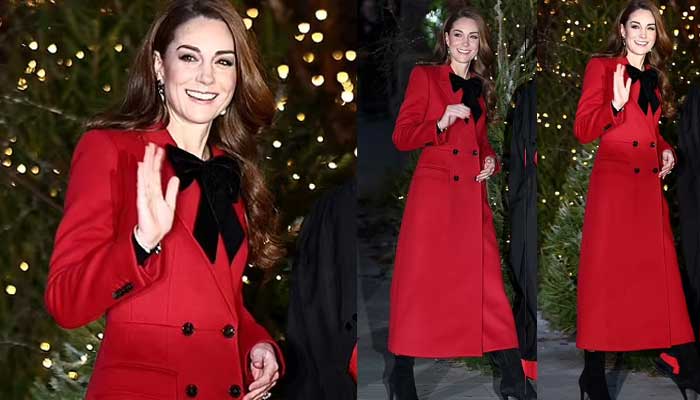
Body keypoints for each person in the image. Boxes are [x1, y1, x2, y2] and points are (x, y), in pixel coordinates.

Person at [44, 1, 283, 399]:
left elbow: (220, 305)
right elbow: (64, 301)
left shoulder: (230, 172)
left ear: (238, 77)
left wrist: (256, 344)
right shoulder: (110, 150)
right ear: (159, 66)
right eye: (189, 57)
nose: (206, 76)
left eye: (224, 62)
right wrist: (141, 243)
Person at [388, 7, 530, 400]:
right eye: (458, 35)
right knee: (419, 286)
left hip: (471, 196)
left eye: (473, 36)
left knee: (488, 286)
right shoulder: (425, 77)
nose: (465, 43)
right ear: (446, 39)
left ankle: (512, 378)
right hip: (433, 198)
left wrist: (491, 160)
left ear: (480, 43)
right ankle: (401, 376)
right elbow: (402, 136)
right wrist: (439, 121)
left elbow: (480, 141)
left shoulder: (480, 87)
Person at [574, 1, 700, 399]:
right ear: (622, 30)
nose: (643, 34)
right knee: (605, 276)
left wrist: (667, 150)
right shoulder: (601, 67)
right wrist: (612, 105)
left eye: (650, 28)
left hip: (647, 184)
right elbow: (583, 129)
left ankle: (678, 358)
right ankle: (593, 374)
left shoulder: (655, 77)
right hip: (613, 184)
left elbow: (650, 131)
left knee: (660, 275)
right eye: (636, 26)